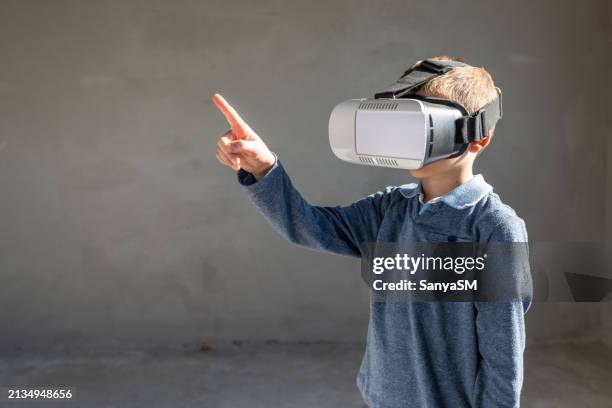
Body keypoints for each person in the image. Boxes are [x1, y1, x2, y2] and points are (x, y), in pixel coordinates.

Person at [213, 56, 531, 408]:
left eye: (422, 127)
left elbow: (503, 357)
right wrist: (264, 168)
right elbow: (308, 228)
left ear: (478, 138)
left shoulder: (495, 228)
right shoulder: (390, 209)